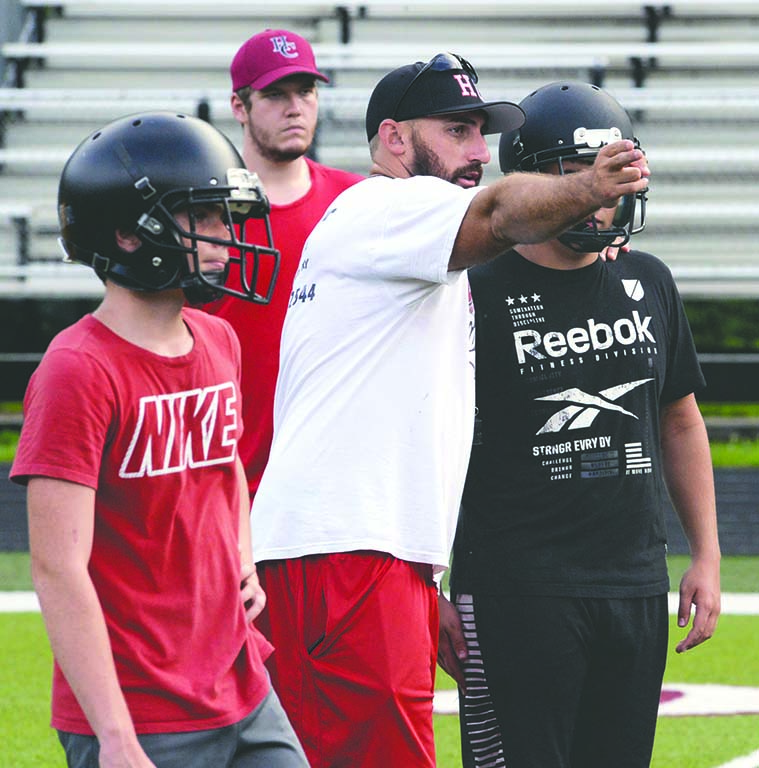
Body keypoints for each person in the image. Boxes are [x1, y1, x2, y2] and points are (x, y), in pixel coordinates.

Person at [249, 55, 651, 768]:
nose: (476, 153)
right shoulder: (390, 207)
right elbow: (499, 214)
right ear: (394, 139)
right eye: (458, 131)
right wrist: (587, 186)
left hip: (363, 549)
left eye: (481, 133)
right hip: (345, 550)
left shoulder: (396, 233)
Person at [10, 111, 309, 768]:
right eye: (201, 218)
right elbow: (58, 569)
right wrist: (115, 736)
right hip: (140, 708)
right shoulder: (77, 370)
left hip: (239, 681)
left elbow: (223, 463)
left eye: (224, 216)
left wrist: (243, 551)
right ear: (126, 233)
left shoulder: (218, 339)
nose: (225, 236)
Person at [437, 81, 722, 768]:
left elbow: (678, 420)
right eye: (581, 173)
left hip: (631, 580)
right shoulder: (469, 289)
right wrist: (430, 581)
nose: (606, 192)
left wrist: (706, 555)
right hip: (512, 586)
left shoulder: (647, 279)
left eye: (615, 172)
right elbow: (427, 438)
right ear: (532, 180)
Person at [205, 28, 363, 498]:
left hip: (335, 485)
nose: (295, 107)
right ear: (240, 106)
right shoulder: (203, 213)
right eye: (275, 95)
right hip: (229, 479)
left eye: (306, 92)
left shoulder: (359, 202)